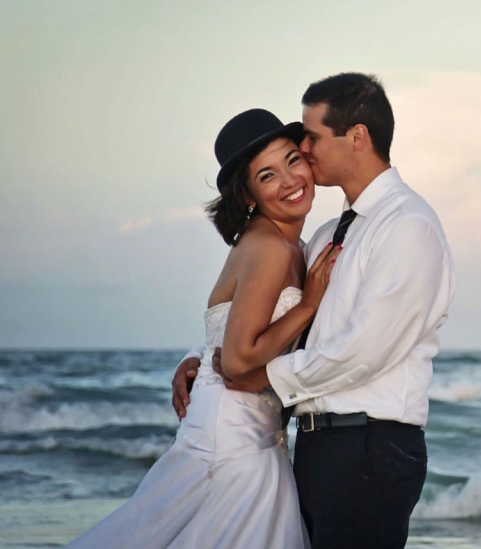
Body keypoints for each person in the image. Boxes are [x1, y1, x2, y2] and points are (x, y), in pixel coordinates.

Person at [173, 73, 456, 548]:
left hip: (370, 446)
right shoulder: (325, 236)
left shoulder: (408, 226)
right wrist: (207, 362)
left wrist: (255, 376)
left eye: (311, 136)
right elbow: (283, 322)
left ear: (358, 137)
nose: (304, 149)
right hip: (314, 447)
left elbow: (365, 351)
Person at [70, 109, 340, 548]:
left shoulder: (289, 244)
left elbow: (228, 335)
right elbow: (236, 361)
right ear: (249, 195)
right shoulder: (270, 247)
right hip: (233, 437)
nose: (290, 181)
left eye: (293, 160)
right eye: (268, 175)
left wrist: (193, 356)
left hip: (250, 428)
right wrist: (310, 303)